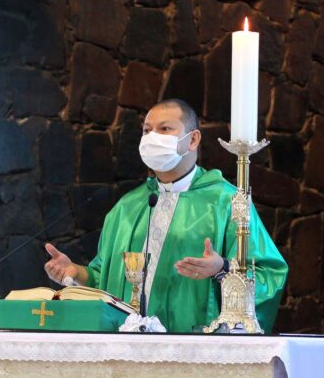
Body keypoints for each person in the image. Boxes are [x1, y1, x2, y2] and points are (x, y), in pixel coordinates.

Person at [42, 99, 288, 332]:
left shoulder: (227, 202)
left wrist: (222, 269)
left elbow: (270, 276)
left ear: (192, 140)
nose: (152, 138)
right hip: (125, 348)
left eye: (164, 129)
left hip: (194, 349)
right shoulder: (127, 207)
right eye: (147, 130)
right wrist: (76, 273)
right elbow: (105, 280)